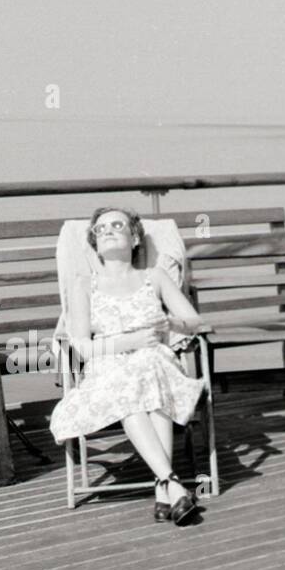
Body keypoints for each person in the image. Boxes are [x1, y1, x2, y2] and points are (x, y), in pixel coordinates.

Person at [49, 206, 206, 525]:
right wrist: (128, 343)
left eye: (117, 224)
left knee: (148, 370)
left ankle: (166, 488)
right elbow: (80, 345)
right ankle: (170, 483)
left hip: (155, 364)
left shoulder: (155, 276)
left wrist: (168, 323)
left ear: (135, 237)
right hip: (108, 367)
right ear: (93, 242)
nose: (107, 230)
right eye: (100, 228)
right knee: (129, 382)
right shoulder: (84, 284)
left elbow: (194, 321)